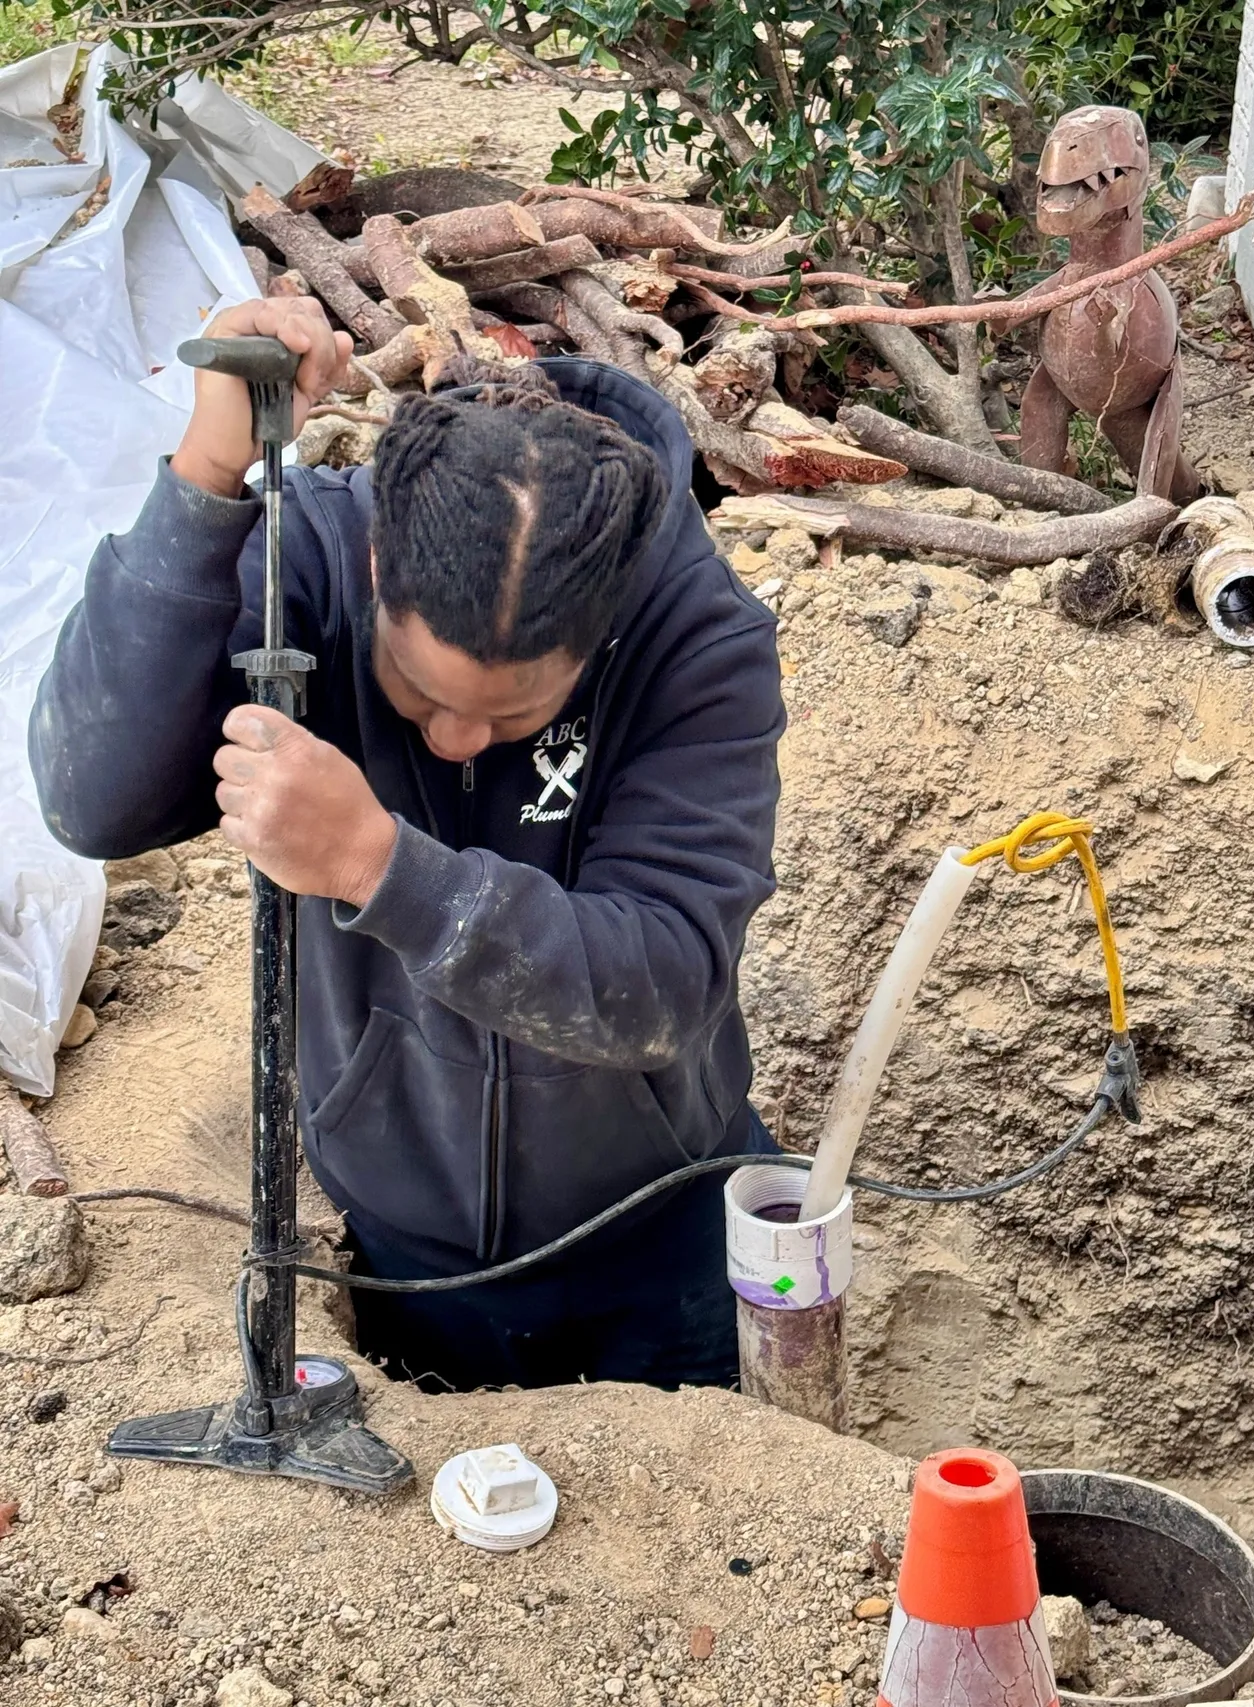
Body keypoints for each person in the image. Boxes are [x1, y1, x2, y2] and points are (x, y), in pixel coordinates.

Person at [30, 296, 784, 1395]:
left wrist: (379, 866)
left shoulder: (695, 640)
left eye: (514, 715)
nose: (454, 737)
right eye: (418, 692)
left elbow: (659, 986)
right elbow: (95, 803)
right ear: (382, 563)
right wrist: (203, 478)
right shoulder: (318, 558)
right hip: (406, 1239)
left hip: (658, 1229)